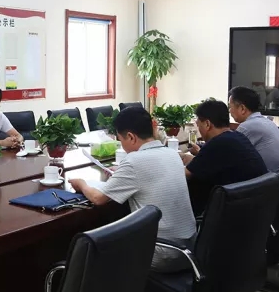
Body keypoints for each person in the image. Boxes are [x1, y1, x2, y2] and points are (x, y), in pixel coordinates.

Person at [69, 107, 196, 273]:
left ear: (130, 137)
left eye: (121, 140)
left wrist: (81, 184)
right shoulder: (171, 154)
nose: (122, 146)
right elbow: (149, 172)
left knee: (95, 249)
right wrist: (123, 173)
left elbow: (98, 198)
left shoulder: (134, 161)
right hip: (190, 249)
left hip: (162, 253)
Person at [181, 99, 267, 216]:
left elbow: (184, 175)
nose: (199, 130)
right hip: (255, 210)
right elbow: (210, 163)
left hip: (233, 213)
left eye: (198, 124)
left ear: (207, 124)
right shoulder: (237, 137)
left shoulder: (217, 143)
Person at [228, 86, 279, 174]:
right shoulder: (266, 121)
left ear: (242, 108)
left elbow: (230, 156)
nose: (229, 111)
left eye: (230, 107)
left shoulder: (247, 127)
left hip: (272, 180)